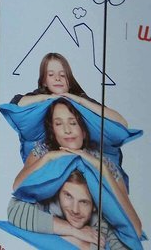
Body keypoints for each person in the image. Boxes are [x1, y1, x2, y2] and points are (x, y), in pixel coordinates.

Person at [13, 99, 142, 238]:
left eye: (73, 123)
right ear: (53, 130)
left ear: (84, 130)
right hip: (54, 228)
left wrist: (102, 169)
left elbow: (135, 229)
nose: (67, 130)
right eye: (58, 124)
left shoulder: (103, 162)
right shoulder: (43, 151)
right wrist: (48, 158)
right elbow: (17, 187)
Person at [8, 169, 131, 250]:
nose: (75, 210)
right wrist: (75, 232)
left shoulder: (103, 221)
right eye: (68, 196)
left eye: (83, 202)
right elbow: (15, 210)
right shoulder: (49, 203)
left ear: (95, 205)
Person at [12, 52, 127, 127]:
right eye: (51, 75)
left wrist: (79, 101)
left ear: (70, 81)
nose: (57, 78)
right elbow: (16, 104)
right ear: (44, 81)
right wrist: (47, 97)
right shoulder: (40, 95)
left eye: (62, 75)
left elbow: (121, 121)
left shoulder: (79, 97)